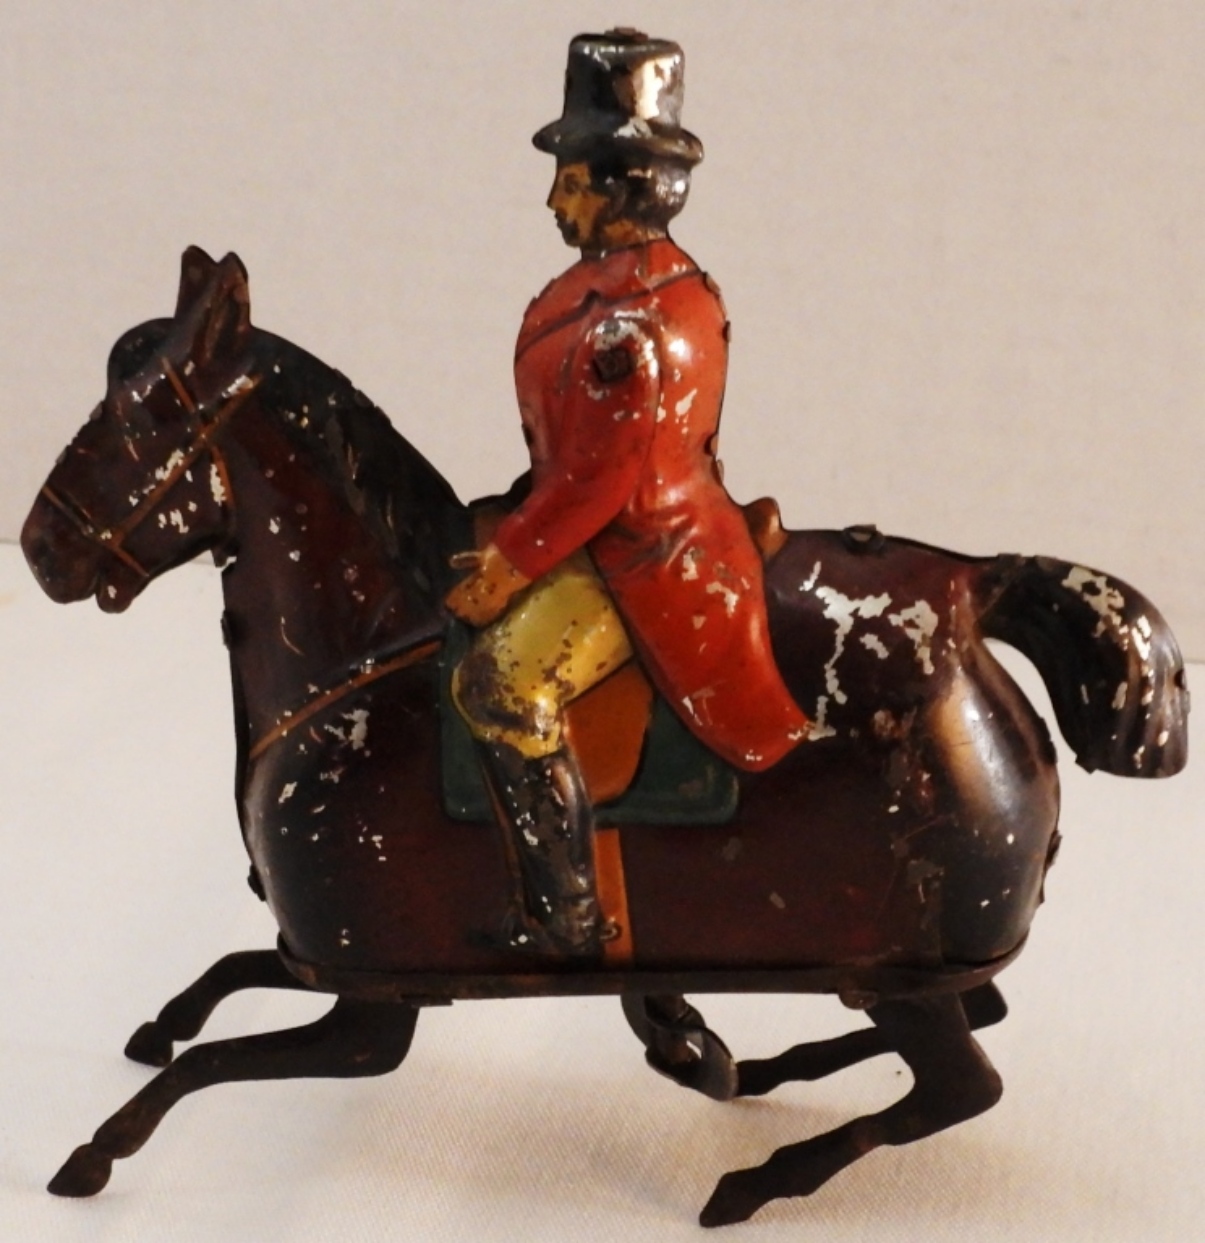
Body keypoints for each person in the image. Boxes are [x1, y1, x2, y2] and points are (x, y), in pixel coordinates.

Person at [446, 30, 809, 957]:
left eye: (570, 180)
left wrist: (508, 563)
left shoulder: (633, 322)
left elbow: (600, 481)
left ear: (622, 188)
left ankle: (565, 911)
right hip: (607, 526)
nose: (553, 200)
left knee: (498, 686)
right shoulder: (597, 291)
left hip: (643, 552)